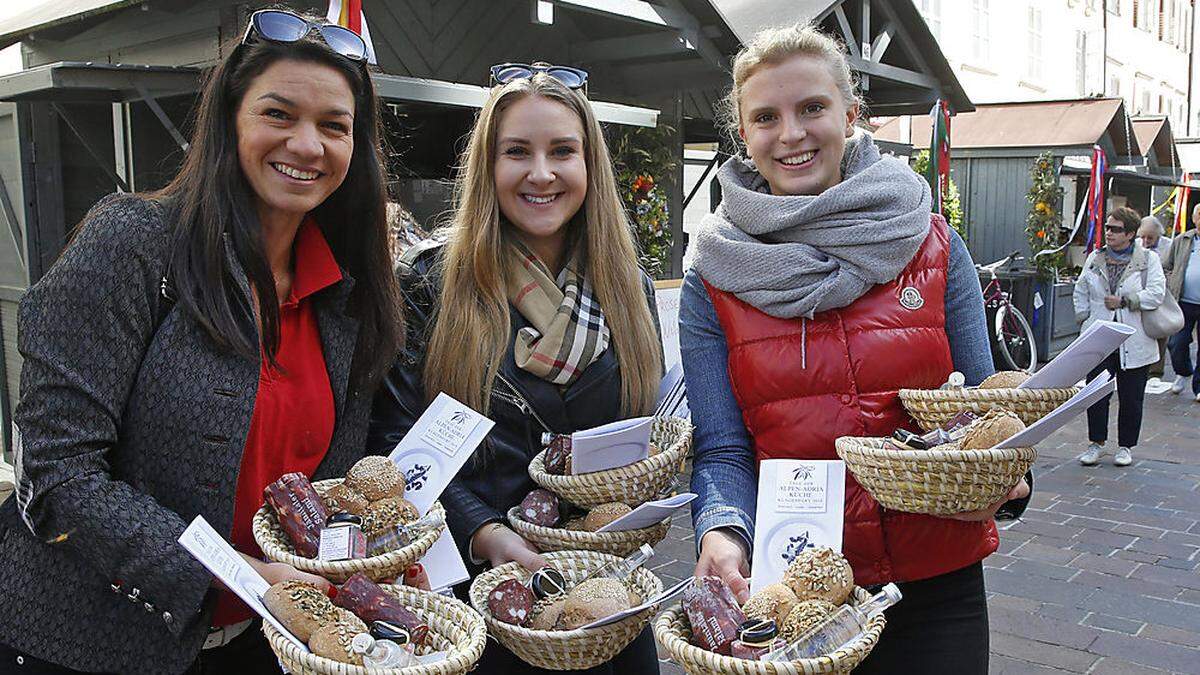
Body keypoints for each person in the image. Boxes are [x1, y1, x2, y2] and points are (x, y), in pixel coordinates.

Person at [0, 9, 405, 673]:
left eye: (334, 125)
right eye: (279, 113)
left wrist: (378, 557)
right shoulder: (132, 243)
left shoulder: (345, 294)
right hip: (89, 641)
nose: (308, 144)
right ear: (230, 121)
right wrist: (241, 572)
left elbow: (332, 483)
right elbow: (56, 475)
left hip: (260, 641)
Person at [680, 22, 1028, 675]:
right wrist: (721, 530)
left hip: (937, 586)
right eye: (766, 116)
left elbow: (984, 414)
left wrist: (1006, 482)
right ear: (744, 132)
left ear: (850, 111)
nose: (791, 133)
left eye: (812, 107)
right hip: (800, 597)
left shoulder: (932, 244)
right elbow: (723, 446)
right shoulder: (712, 274)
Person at [367, 64, 664, 674]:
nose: (541, 173)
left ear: (590, 165)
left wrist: (637, 511)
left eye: (562, 151)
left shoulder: (626, 286)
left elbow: (641, 431)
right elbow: (395, 445)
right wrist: (485, 533)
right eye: (517, 152)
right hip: (482, 600)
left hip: (603, 597)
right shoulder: (429, 284)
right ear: (488, 166)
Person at [1074, 207, 1166, 467]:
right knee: (1096, 392)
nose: (1109, 233)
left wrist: (1126, 301)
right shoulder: (1096, 257)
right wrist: (1084, 319)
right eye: (1107, 227)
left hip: (1134, 340)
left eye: (1115, 229)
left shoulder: (1147, 260)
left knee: (1131, 396)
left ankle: (1125, 446)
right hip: (1100, 339)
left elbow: (1157, 293)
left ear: (1130, 234)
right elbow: (1080, 289)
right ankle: (1096, 443)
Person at [1162, 203, 1200, 399]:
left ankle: (1199, 387)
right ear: (1194, 219)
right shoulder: (1183, 240)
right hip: (1183, 301)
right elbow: (1167, 266)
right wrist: (1173, 281)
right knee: (1177, 342)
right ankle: (1183, 372)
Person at [1139, 216, 1171, 376]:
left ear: (1158, 235)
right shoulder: (1137, 245)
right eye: (1142, 237)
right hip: (1140, 293)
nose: (1145, 241)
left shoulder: (1168, 245)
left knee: (1159, 330)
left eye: (1150, 238)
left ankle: (1156, 369)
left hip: (1161, 294)